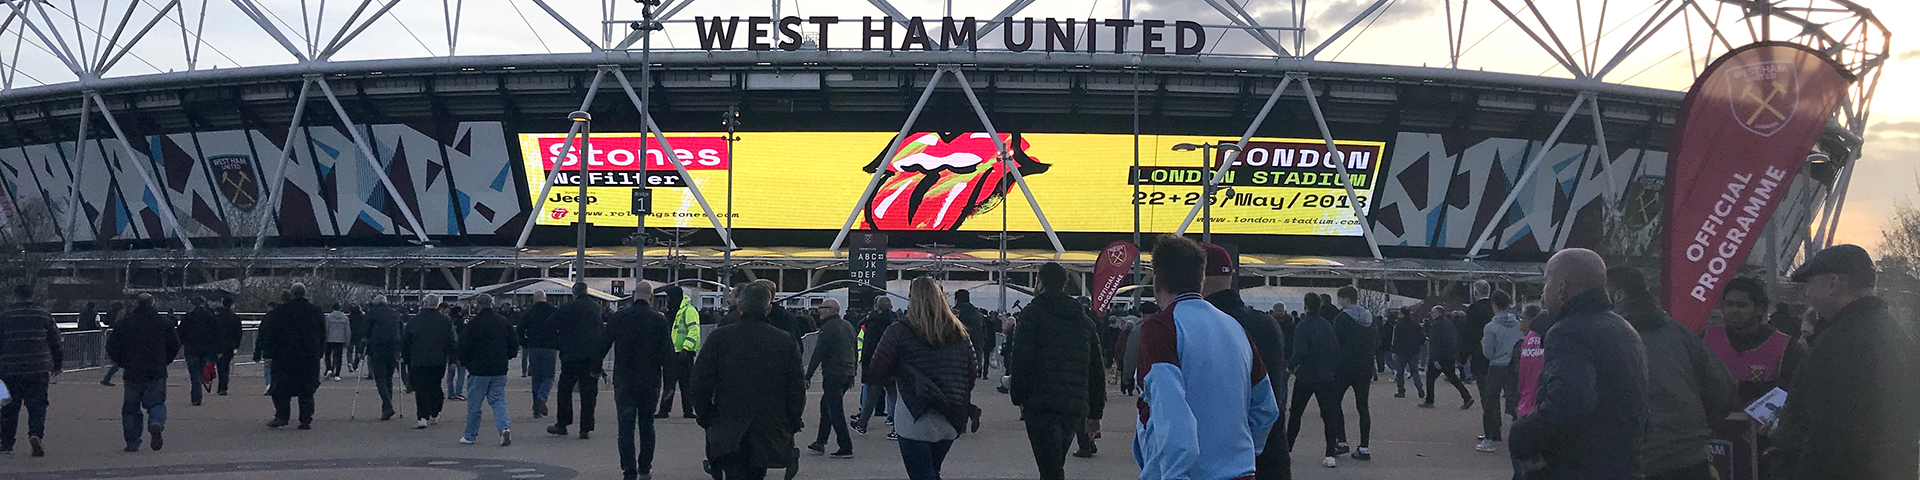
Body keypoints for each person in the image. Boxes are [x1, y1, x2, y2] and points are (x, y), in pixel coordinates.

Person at [1134, 236, 1279, 480]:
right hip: (1240, 472)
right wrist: (1237, 454)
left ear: (1156, 282)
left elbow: (1171, 415)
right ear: (1200, 280)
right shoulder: (1235, 329)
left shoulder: (1161, 328)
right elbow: (1266, 409)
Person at [1771, 244, 1920, 480]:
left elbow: (1829, 436)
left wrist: (1786, 437)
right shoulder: (1893, 333)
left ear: (1833, 284)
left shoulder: (1838, 343)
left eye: (1810, 283)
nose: (1807, 294)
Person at [1509, 248, 1648, 478]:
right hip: (1623, 465)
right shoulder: (1624, 329)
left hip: (1577, 467)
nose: (1543, 294)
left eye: (1547, 282)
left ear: (1562, 288)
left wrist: (1522, 435)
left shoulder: (1567, 332)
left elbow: (1570, 401)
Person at [1605, 266, 1734, 479]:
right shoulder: (1679, 332)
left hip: (1634, 462)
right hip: (1690, 458)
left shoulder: (1608, 339)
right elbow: (1723, 389)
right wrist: (1695, 430)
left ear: (1618, 296)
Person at [867, 277, 979, 480]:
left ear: (912, 299)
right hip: (950, 414)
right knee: (932, 471)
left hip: (914, 414)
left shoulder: (899, 331)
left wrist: (899, 376)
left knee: (922, 474)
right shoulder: (959, 333)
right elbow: (972, 372)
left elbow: (876, 370)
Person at [692, 282, 805, 480]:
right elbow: (796, 388)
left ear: (740, 306)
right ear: (768, 308)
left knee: (734, 471)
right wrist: (792, 421)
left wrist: (706, 416)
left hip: (728, 423)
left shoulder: (720, 337)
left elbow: (700, 380)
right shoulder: (785, 340)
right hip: (767, 425)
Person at [1199, 243, 1291, 478]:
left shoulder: (1195, 327)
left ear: (1200, 278)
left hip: (1217, 459)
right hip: (1269, 454)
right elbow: (1274, 397)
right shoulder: (1266, 325)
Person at [1008, 263, 1105, 479]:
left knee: (1051, 469)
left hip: (1040, 404)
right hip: (1073, 406)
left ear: (1040, 282)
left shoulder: (1032, 315)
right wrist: (1095, 412)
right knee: (1054, 464)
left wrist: (1019, 397)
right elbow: (1096, 370)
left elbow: (1021, 359)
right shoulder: (1084, 321)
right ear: (1065, 284)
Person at [603, 292, 673, 480]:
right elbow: (667, 353)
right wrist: (669, 384)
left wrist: (595, 368)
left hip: (624, 379)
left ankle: (629, 470)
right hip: (650, 381)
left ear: (634, 296)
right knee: (647, 425)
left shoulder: (619, 317)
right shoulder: (659, 320)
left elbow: (603, 344)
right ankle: (644, 468)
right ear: (651, 297)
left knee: (625, 426)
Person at [1707, 277, 1804, 406]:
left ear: (1759, 309)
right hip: (1712, 423)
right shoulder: (1707, 339)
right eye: (1729, 304)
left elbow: (1792, 391)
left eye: (1742, 305)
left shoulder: (1784, 346)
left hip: (1762, 423)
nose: (1734, 310)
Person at [105, 294, 178, 452]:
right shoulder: (163, 322)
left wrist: (122, 361)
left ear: (137, 303)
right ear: (153, 303)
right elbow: (175, 344)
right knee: (157, 402)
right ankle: (156, 422)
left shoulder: (126, 322)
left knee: (131, 408)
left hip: (133, 370)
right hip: (156, 369)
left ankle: (132, 441)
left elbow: (112, 344)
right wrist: (165, 360)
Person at [0, 285, 61, 457]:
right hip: (38, 367)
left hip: (8, 369)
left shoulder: (4, 316)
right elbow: (56, 341)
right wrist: (57, 364)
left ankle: (6, 443)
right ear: (32, 296)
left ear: (15, 296)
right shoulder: (43, 314)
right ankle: (35, 434)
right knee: (37, 405)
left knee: (8, 406)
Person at [1285, 292, 1344, 468]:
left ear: (1305, 305)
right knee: (1328, 414)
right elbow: (1335, 351)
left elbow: (1301, 351)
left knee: (1296, 413)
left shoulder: (1302, 326)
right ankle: (1330, 453)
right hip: (1325, 376)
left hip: (1306, 376)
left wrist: (1291, 365)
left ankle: (1288, 450)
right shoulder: (1327, 326)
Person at [260, 284, 326, 430]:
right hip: (309, 356)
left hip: (284, 355)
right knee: (307, 389)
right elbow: (322, 334)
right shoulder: (315, 311)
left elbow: (272, 334)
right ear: (304, 293)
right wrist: (320, 351)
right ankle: (305, 419)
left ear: (292, 293)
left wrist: (268, 354)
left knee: (281, 388)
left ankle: (282, 416)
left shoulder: (280, 311)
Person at [548, 283, 605, 439]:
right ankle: (585, 428)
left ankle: (563, 423)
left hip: (570, 356)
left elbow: (550, 325)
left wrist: (560, 343)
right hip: (590, 356)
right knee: (589, 393)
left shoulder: (567, 308)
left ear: (574, 293)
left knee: (565, 391)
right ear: (587, 291)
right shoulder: (595, 308)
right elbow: (600, 331)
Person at [457, 294, 516, 446]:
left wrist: (465, 362)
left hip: (478, 369)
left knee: (474, 405)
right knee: (498, 400)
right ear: (493, 304)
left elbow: (464, 346)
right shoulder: (504, 322)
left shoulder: (473, 324)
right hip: (499, 368)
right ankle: (504, 428)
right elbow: (513, 345)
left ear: (478, 305)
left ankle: (470, 435)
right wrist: (506, 357)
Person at [805, 298, 858, 459]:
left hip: (834, 373)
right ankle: (820, 441)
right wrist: (853, 372)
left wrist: (808, 375)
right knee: (826, 406)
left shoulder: (828, 328)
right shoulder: (848, 326)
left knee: (835, 411)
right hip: (847, 372)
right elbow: (855, 350)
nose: (819, 310)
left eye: (822, 307)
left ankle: (845, 446)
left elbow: (818, 353)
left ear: (831, 310)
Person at [1328, 286, 1375, 462]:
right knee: (1363, 406)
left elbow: (1335, 342)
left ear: (1346, 299)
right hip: (1365, 366)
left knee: (1334, 402)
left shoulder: (1342, 318)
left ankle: (1341, 441)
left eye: (1340, 299)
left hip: (1345, 365)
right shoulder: (1369, 318)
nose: (1339, 303)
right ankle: (1364, 447)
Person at [1476, 291, 1523, 453]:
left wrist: (1483, 345)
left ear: (1494, 304)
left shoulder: (1491, 327)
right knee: (1515, 401)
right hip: (1513, 365)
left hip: (1497, 365)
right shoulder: (1517, 324)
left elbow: (1488, 353)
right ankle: (1519, 438)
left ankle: (1489, 439)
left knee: (1490, 402)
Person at [405, 294, 457, 429]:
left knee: (421, 388)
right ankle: (435, 411)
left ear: (424, 303)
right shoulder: (445, 321)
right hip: (438, 360)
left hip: (418, 359)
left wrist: (406, 358)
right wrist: (452, 359)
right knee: (435, 385)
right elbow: (451, 341)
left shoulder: (414, 320)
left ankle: (422, 416)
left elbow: (406, 341)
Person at [854, 295, 899, 435]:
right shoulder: (895, 322)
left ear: (877, 307)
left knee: (871, 395)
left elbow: (869, 345)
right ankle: (896, 427)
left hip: (876, 362)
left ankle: (862, 423)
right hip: (891, 362)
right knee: (893, 395)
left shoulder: (872, 322)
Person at [656, 286, 701, 419]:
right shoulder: (671, 312)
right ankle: (664, 410)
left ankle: (688, 410)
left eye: (669, 297)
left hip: (684, 354)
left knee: (685, 384)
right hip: (671, 354)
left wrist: (686, 348)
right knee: (669, 383)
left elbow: (694, 331)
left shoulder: (688, 310)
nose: (668, 300)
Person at [1421, 305, 1473, 410]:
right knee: (1453, 378)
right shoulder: (1449, 324)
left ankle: (1429, 400)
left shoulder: (1436, 325)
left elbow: (1435, 343)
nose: (1431, 314)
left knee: (1430, 378)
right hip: (1449, 355)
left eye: (1433, 312)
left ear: (1439, 313)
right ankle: (1467, 397)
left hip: (1439, 356)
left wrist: (1435, 358)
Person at [517, 291, 560, 418]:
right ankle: (542, 397)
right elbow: (561, 327)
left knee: (536, 377)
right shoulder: (553, 311)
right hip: (550, 347)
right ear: (545, 299)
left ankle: (536, 408)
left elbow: (520, 329)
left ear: (534, 300)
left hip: (534, 347)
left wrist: (524, 342)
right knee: (548, 376)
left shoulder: (529, 312)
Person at [364, 295, 405, 421]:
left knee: (380, 378)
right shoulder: (395, 314)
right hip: (393, 349)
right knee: (388, 378)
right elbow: (401, 331)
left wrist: (363, 348)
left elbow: (366, 332)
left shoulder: (371, 314)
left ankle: (387, 406)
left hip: (377, 349)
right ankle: (386, 407)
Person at [175, 297, 219, 406]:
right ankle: (198, 392)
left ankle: (196, 395)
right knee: (201, 370)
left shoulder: (187, 317)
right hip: (205, 349)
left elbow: (180, 333)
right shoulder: (210, 317)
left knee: (193, 372)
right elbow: (217, 334)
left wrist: (183, 343)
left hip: (191, 349)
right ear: (204, 304)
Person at [1117, 302, 1157, 398]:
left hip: (1145, 375)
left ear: (1142, 314)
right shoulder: (1168, 327)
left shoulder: (1138, 331)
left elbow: (1131, 355)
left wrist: (1127, 377)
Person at [951, 289, 991, 381]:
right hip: (976, 349)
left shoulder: (953, 313)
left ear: (957, 299)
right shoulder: (977, 314)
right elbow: (984, 331)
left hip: (956, 354)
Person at [1390, 306, 1427, 399]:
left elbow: (1396, 339)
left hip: (1401, 351)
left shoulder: (1398, 325)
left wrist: (1394, 351)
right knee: (1414, 371)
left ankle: (1401, 391)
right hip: (1414, 351)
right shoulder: (1416, 324)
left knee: (1400, 372)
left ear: (1402, 314)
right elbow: (1422, 338)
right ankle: (1419, 387)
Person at [1462, 280, 1494, 386]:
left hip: (1479, 353)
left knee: (1483, 387)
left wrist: (1463, 355)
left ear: (1475, 292)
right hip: (1497, 353)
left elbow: (1469, 333)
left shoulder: (1473, 309)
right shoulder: (1495, 307)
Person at [214, 297, 242, 396]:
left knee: (220, 365)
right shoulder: (235, 318)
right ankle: (224, 385)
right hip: (230, 344)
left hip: (219, 344)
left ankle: (221, 386)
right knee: (226, 365)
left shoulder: (217, 317)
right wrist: (236, 345)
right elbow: (238, 333)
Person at [99, 301, 125, 386]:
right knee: (121, 362)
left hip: (114, 336)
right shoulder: (122, 316)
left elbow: (106, 321)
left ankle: (107, 378)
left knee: (119, 362)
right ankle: (107, 378)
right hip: (122, 339)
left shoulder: (111, 313)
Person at [323, 305, 349, 381]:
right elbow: (347, 330)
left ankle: (329, 369)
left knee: (327, 355)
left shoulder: (328, 317)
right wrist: (347, 340)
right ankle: (337, 374)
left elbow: (326, 328)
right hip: (340, 339)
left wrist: (325, 338)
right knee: (338, 357)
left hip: (330, 339)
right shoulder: (345, 318)